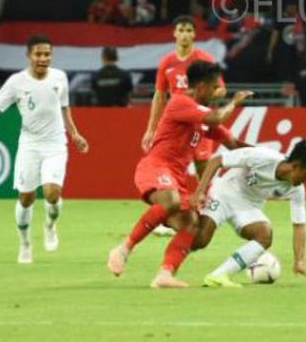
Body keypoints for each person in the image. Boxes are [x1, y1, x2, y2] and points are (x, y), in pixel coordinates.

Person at [106, 61, 252, 288]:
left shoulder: (201, 116)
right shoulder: (180, 102)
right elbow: (216, 118)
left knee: (192, 225)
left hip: (176, 178)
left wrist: (268, 158)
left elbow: (233, 143)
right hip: (155, 168)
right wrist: (234, 103)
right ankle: (124, 248)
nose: (216, 93)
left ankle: (165, 274)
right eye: (214, 88)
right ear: (201, 87)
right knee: (171, 199)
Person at [0, 35, 90, 264]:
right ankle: (25, 243)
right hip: (30, 146)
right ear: (29, 56)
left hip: (55, 144)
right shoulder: (16, 82)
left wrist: (75, 134)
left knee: (52, 193)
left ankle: (50, 225)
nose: (43, 58)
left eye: (47, 54)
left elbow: (64, 108)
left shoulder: (60, 77)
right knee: (26, 197)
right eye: (38, 54)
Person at [190, 140, 306, 287]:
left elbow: (299, 225)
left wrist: (299, 261)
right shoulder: (262, 156)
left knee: (264, 235)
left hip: (248, 207)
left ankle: (218, 276)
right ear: (296, 166)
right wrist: (200, 192)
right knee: (200, 240)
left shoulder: (296, 190)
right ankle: (170, 222)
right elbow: (216, 161)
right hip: (224, 193)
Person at [141, 15, 227, 236]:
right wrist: (151, 129)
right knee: (167, 164)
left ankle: (204, 206)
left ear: (194, 34)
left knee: (202, 163)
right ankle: (165, 214)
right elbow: (159, 96)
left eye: (189, 30)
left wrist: (206, 96)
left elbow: (221, 89)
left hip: (198, 121)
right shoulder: (167, 63)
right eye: (182, 30)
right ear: (174, 33)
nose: (186, 34)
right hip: (176, 124)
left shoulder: (204, 60)